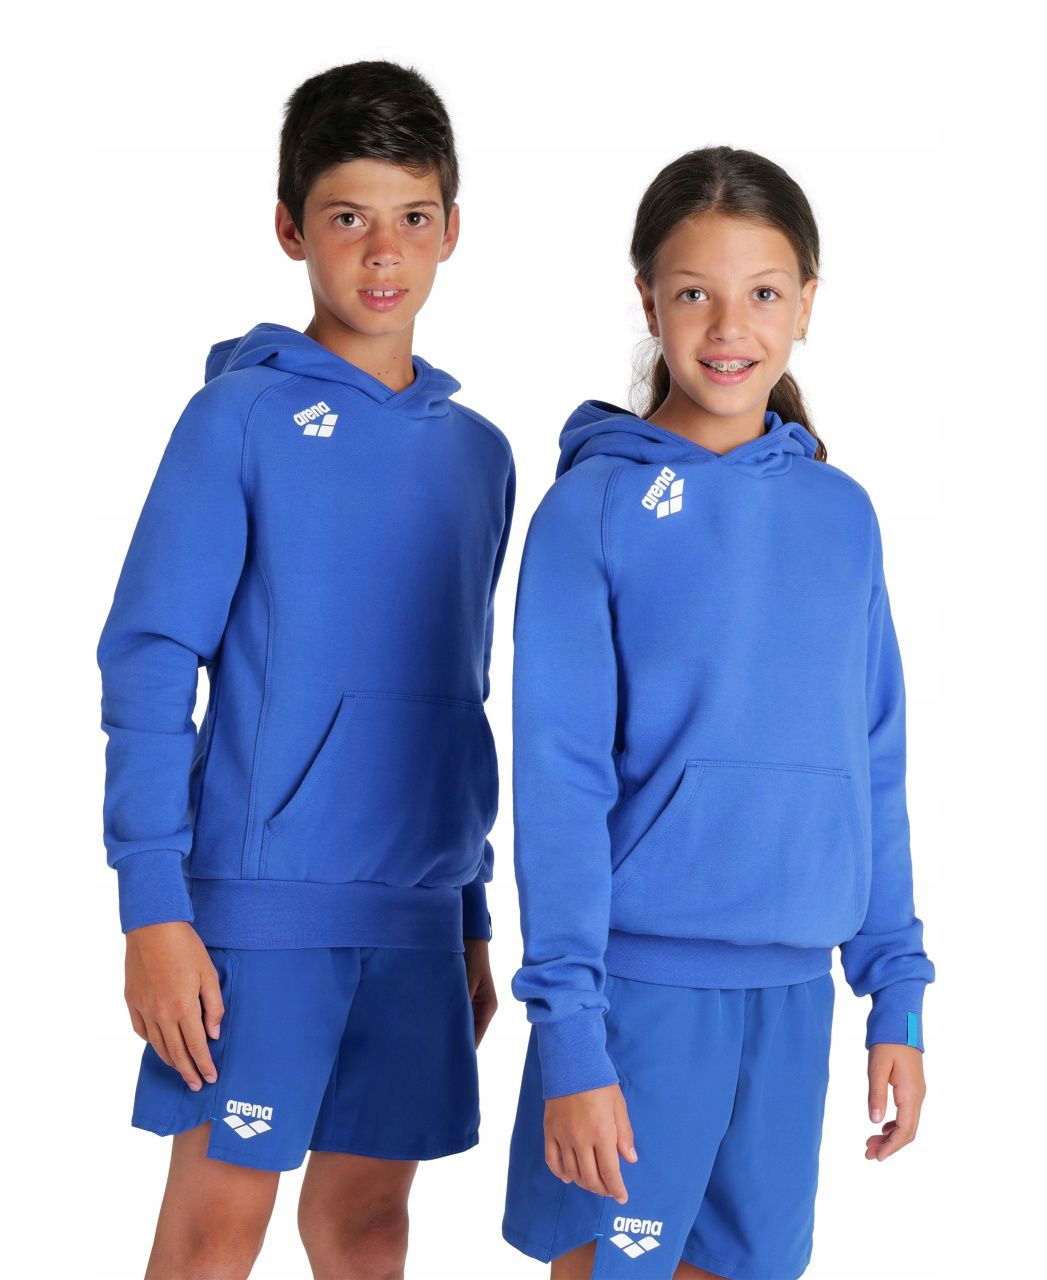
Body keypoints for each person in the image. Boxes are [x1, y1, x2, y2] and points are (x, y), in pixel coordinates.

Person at [96, 60, 514, 1279]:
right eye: (347, 217)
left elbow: (460, 697)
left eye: (413, 216)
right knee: (216, 1227)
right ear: (290, 229)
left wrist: (470, 914)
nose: (384, 251)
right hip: (262, 910)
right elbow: (150, 660)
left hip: (417, 916)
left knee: (369, 1225)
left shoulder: (481, 455)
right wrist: (153, 907)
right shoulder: (237, 420)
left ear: (452, 228)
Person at [502, 146, 934, 1280]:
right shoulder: (590, 510)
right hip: (636, 1002)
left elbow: (874, 762)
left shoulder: (842, 515)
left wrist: (894, 992)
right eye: (695, 291)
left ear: (807, 304)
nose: (730, 326)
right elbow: (558, 785)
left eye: (764, 292)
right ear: (648, 300)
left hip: (792, 1001)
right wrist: (571, 1037)